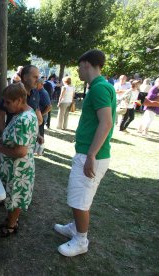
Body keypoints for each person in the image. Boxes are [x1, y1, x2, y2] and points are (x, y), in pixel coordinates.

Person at [54, 49, 116, 257]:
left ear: (87, 64)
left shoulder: (99, 88)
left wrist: (91, 155)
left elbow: (106, 123)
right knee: (77, 196)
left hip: (92, 155)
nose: (78, 71)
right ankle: (75, 227)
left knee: (80, 200)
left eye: (79, 66)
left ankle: (81, 240)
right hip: (89, 153)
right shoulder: (101, 86)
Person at [0, 82, 38, 237]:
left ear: (19, 100)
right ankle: (11, 219)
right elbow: (18, 139)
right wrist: (3, 140)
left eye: (8, 102)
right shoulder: (23, 113)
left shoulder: (23, 119)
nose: (5, 106)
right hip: (16, 167)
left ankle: (11, 226)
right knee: (12, 197)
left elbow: (20, 151)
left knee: (15, 198)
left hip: (18, 168)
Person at [36, 79, 52, 155]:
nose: (35, 84)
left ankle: (41, 151)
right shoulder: (38, 91)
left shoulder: (43, 93)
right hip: (39, 117)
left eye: (37, 83)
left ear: (41, 84)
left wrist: (41, 114)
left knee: (40, 133)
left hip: (41, 118)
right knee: (38, 132)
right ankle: (38, 149)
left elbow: (49, 106)